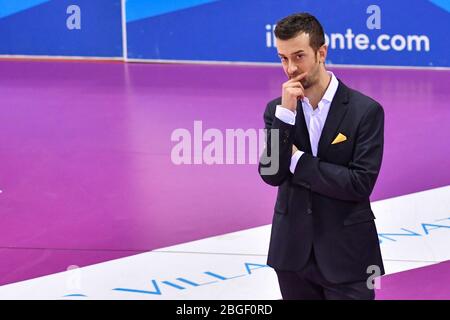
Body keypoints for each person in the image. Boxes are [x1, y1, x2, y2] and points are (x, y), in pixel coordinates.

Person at [258, 12, 385, 300]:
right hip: (292, 257)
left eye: (299, 56)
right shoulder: (277, 111)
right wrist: (285, 115)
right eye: (282, 58)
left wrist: (298, 160)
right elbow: (271, 173)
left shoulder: (365, 111)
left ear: (321, 52)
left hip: (350, 259)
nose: (290, 68)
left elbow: (359, 183)